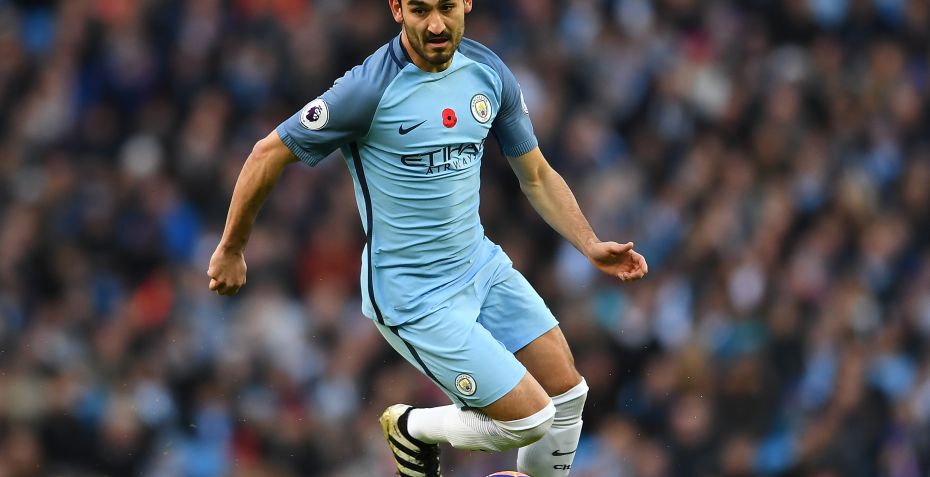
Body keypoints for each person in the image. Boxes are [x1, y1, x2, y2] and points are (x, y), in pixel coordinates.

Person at [207, 0, 648, 475]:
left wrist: (589, 243)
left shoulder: (488, 73)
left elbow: (536, 174)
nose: (436, 24)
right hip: (413, 296)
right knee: (531, 419)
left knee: (568, 396)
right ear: (397, 9)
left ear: (467, 3)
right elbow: (267, 154)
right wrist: (232, 248)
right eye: (420, 10)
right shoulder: (368, 89)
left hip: (479, 265)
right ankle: (411, 428)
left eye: (446, 7)